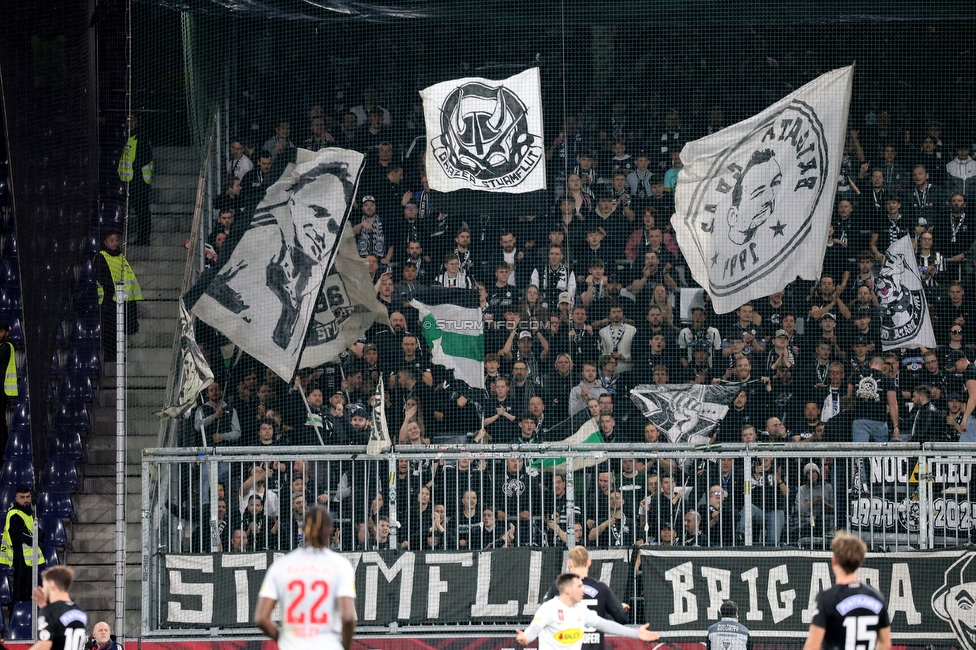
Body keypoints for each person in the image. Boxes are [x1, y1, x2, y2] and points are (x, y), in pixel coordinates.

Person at [254, 507, 357, 650]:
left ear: (303, 529)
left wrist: (283, 640)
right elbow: (348, 617)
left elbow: (261, 618)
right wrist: (344, 646)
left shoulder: (281, 565)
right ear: (329, 529)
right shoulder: (341, 565)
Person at [516, 573, 659, 650]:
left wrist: (636, 633)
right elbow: (535, 627)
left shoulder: (580, 610)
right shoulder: (548, 609)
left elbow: (606, 624)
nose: (583, 590)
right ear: (567, 590)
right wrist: (527, 637)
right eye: (579, 586)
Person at [802, 532, 891, 650]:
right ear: (860, 561)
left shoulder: (827, 599)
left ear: (834, 561)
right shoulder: (877, 597)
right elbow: (885, 643)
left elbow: (812, 645)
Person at [543, 546, 630, 650]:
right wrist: (618, 607)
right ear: (589, 562)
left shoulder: (558, 588)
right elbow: (621, 618)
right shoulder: (601, 588)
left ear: (569, 563)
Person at [93, 230, 143, 361]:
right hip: (108, 300)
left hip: (122, 300)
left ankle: (119, 354)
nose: (115, 243)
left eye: (116, 240)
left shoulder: (121, 256)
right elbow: (103, 278)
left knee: (119, 329)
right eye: (112, 240)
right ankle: (111, 356)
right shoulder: (100, 257)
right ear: (105, 242)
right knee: (110, 329)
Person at [1, 486, 45, 611]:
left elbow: (35, 532)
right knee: (19, 596)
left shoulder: (27, 513)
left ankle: (25, 622)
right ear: (16, 498)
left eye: (27, 497)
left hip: (29, 562)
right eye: (22, 497)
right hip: (21, 561)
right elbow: (24, 536)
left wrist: (38, 535)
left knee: (28, 596)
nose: (25, 500)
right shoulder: (15, 514)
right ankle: (15, 621)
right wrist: (38, 536)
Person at [117, 114, 154, 245]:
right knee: (139, 210)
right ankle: (142, 238)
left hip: (140, 179)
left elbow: (145, 156)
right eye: (127, 121)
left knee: (142, 209)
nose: (130, 123)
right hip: (131, 178)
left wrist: (135, 168)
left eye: (132, 120)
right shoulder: (130, 137)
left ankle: (144, 239)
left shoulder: (140, 136)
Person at [31, 566, 87, 650]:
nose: (43, 590)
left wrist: (45, 610)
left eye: (44, 585)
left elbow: (43, 646)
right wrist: (44, 606)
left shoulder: (49, 611)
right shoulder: (80, 610)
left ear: (52, 585)